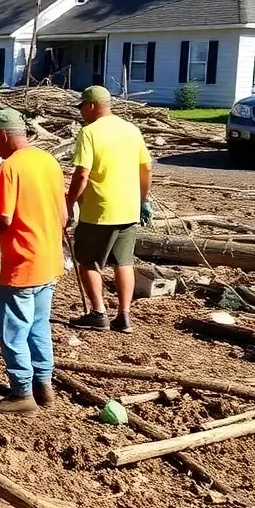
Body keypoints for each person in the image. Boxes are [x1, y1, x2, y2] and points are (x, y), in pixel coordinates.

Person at [0, 108, 67, 415]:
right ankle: (43, 385)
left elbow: (3, 219)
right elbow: (64, 216)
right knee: (38, 325)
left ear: (4, 135)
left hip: (23, 262)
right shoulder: (49, 161)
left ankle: (22, 393)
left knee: (11, 330)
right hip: (50, 259)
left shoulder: (10, 168)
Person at [65, 85, 153, 334]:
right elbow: (146, 168)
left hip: (99, 209)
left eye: (82, 106)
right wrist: (143, 199)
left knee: (88, 262)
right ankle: (124, 316)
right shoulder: (131, 129)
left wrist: (70, 200)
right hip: (128, 207)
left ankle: (98, 313)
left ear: (92, 105)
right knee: (123, 263)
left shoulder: (89, 132)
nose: (81, 111)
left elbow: (82, 173)